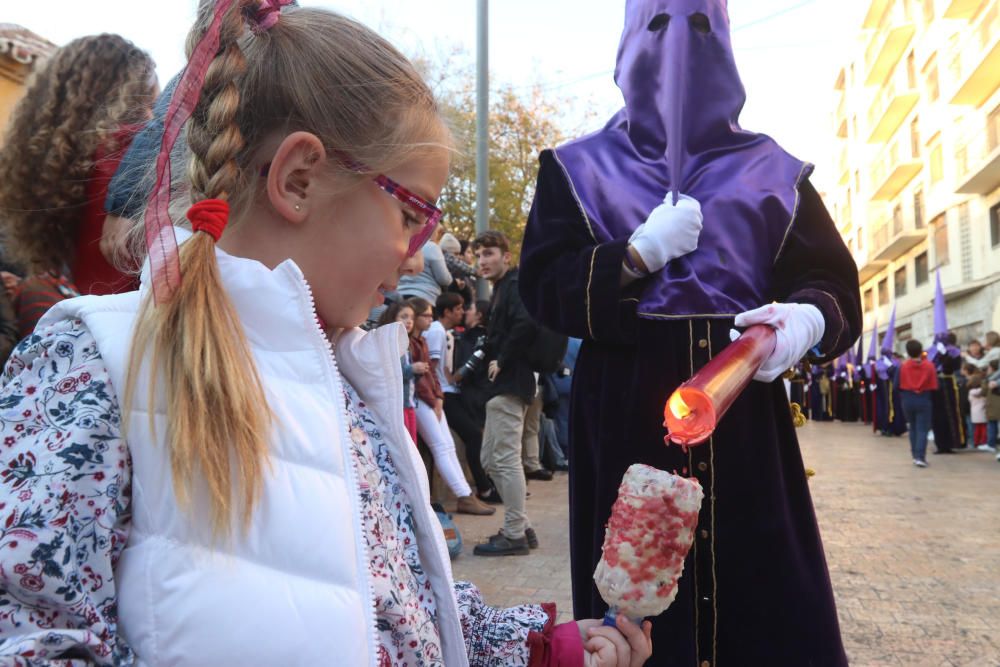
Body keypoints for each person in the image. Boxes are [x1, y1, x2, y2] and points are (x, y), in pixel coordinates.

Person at [0, 4, 654, 666]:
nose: (413, 256)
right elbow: (33, 633)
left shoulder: (350, 397)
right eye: (413, 215)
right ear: (299, 179)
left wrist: (544, 648)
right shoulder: (93, 366)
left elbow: (398, 610)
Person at [518, 1, 860, 664]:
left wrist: (804, 320)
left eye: (700, 24)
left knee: (762, 595)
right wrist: (633, 256)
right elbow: (542, 287)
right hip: (624, 418)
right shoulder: (575, 169)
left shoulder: (776, 172)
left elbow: (832, 281)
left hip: (744, 420)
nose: (677, 46)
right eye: (657, 24)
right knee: (635, 607)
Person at [0, 34, 157, 337]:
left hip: (84, 336)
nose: (153, 118)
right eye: (147, 104)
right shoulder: (133, 152)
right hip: (136, 334)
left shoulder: (47, 167)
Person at [473, 230, 543, 557]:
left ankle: (514, 531)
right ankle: (521, 525)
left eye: (488, 253)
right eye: (478, 255)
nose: (482, 261)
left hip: (512, 380)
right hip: (506, 383)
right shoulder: (503, 288)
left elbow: (526, 323)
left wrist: (502, 358)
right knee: (491, 459)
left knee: (504, 458)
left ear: (505, 256)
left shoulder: (514, 285)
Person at [408, 297, 494, 516]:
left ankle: (466, 494)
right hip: (420, 399)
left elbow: (431, 373)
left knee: (446, 446)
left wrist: (436, 396)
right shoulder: (430, 334)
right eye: (424, 315)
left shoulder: (423, 339)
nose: (429, 319)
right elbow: (427, 375)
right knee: (442, 446)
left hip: (431, 397)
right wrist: (435, 396)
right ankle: (465, 495)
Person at [377, 300, 423, 442]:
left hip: (408, 404)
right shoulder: (389, 343)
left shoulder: (406, 342)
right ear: (392, 318)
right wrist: (413, 369)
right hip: (397, 406)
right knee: (406, 445)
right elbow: (391, 374)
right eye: (404, 317)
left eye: (412, 318)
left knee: (412, 444)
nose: (409, 321)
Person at [899, 340, 938, 467]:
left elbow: (896, 385)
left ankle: (915, 455)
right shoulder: (929, 365)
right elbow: (934, 385)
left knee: (913, 428)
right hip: (924, 398)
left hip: (908, 398)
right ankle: (920, 457)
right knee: (922, 429)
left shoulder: (903, 366)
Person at [398, 227, 452, 303]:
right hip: (425, 296)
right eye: (438, 232)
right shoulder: (432, 247)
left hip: (401, 296)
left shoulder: (403, 244)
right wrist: (451, 278)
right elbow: (443, 279)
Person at [930, 332, 963, 454]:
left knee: (950, 414)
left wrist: (945, 354)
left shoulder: (954, 352)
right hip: (936, 386)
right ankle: (940, 444)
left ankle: (950, 443)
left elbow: (953, 367)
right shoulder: (933, 351)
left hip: (949, 384)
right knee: (937, 415)